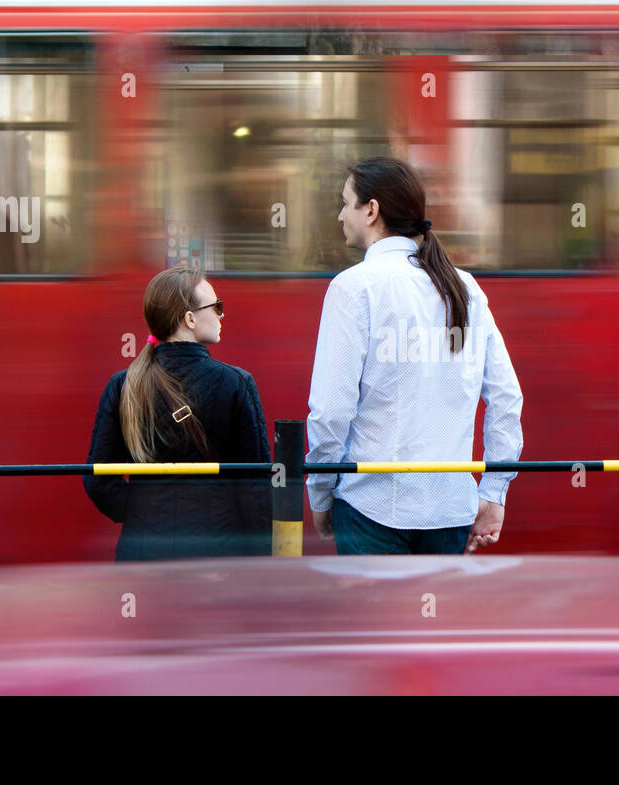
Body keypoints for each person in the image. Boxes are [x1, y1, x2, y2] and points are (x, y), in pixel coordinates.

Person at [307, 156, 523, 555]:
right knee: (432, 618)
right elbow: (507, 398)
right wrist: (493, 493)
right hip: (451, 511)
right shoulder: (466, 288)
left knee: (377, 620)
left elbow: (331, 412)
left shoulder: (353, 288)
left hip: (371, 507)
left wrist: (320, 493)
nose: (340, 215)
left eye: (345, 202)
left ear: (371, 210)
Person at [84, 265, 272, 560]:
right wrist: (258, 557)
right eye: (217, 306)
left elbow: (98, 480)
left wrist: (143, 514)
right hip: (216, 552)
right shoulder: (235, 383)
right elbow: (255, 487)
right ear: (190, 319)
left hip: (142, 550)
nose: (222, 314)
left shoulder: (123, 384)